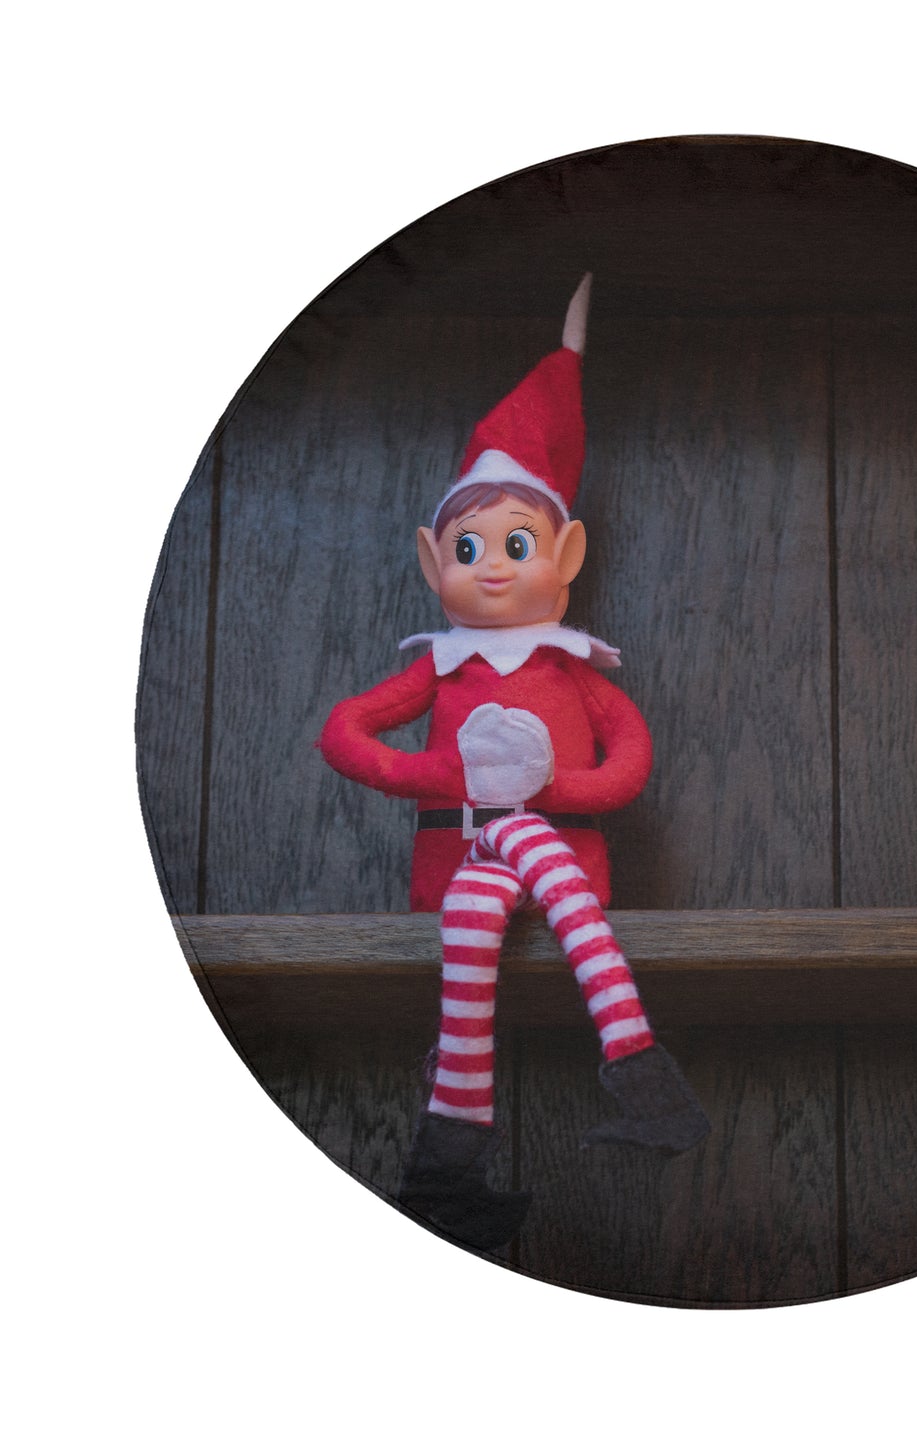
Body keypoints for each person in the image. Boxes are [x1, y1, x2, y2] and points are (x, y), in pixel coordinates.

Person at [320, 276, 709, 1252]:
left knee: (550, 885)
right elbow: (345, 732)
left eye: (519, 542)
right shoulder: (438, 668)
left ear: (565, 555)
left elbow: (627, 761)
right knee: (471, 920)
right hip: (470, 865)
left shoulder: (575, 673)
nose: (493, 564)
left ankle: (450, 1161)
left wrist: (548, 790)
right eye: (468, 545)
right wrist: (442, 777)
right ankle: (604, 1091)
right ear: (429, 561)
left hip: (545, 845)